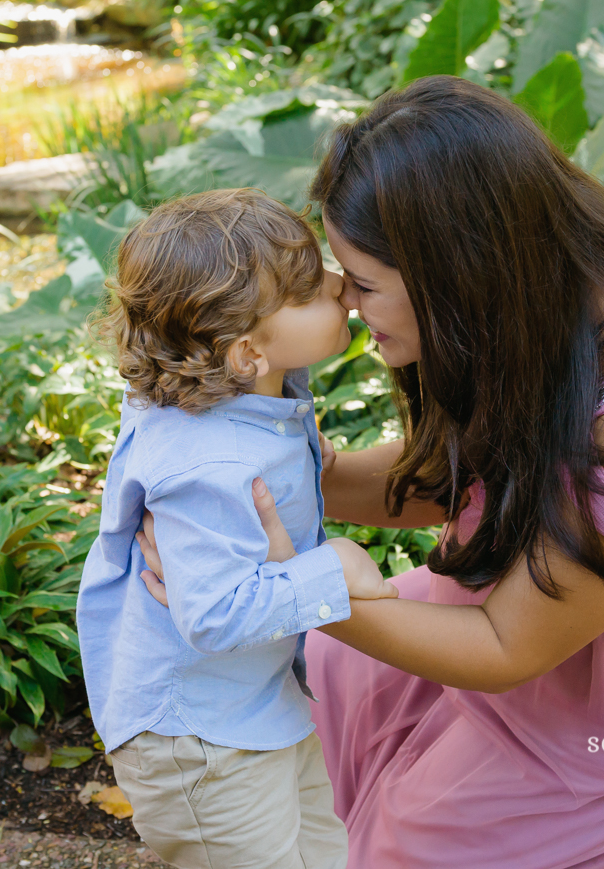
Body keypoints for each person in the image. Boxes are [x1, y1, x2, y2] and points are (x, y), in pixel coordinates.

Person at [136, 77, 604, 866]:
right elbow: (470, 484)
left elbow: (510, 646)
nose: (343, 300)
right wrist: (251, 483)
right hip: (554, 615)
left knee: (420, 836)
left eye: (364, 284)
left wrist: (292, 592)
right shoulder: (544, 303)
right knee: (333, 682)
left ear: (458, 271)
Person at [76, 188, 398, 869]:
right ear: (248, 353)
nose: (341, 288)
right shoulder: (212, 466)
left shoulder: (237, 394)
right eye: (311, 287)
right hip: (201, 743)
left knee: (328, 853)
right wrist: (332, 566)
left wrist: (312, 462)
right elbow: (213, 614)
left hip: (252, 709)